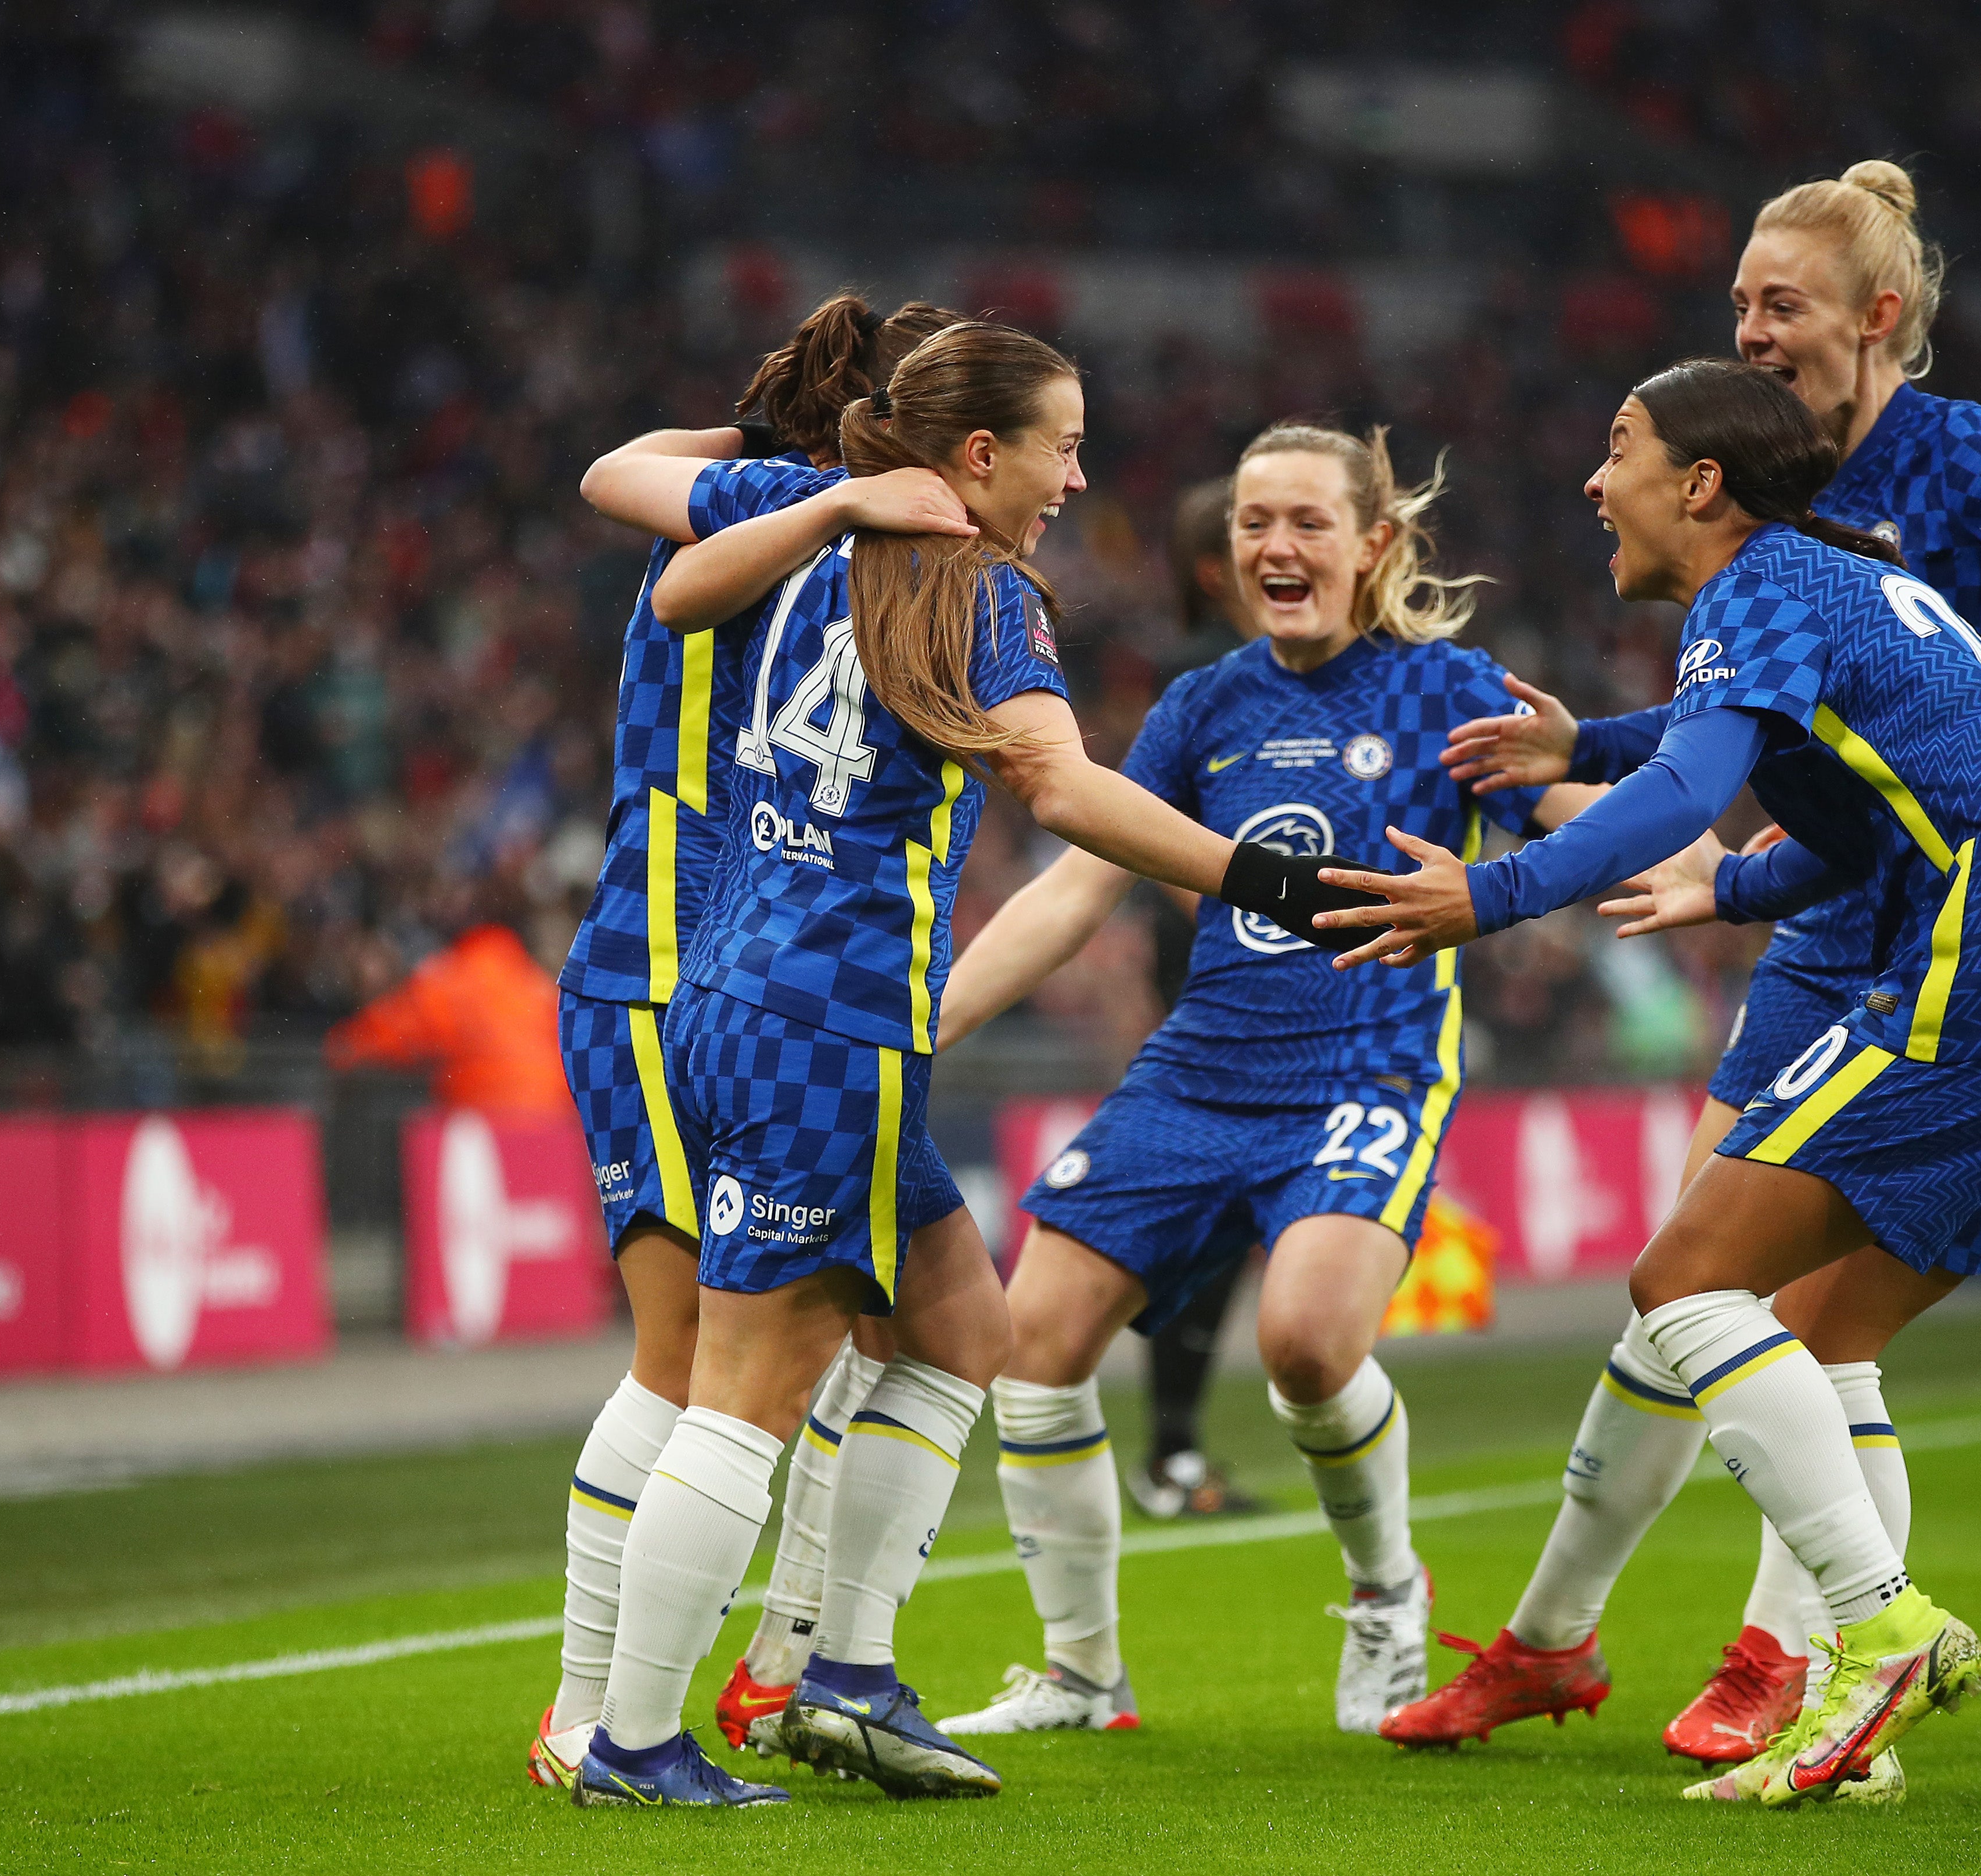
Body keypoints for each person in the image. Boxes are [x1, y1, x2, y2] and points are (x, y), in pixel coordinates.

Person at [1407, 159, 1981, 1785]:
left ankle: (1868, 1624)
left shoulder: (1815, 552)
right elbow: (1780, 766)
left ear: (1705, 484)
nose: (1587, 483)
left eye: (1615, 453)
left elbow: (1694, 790)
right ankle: (1831, 1687)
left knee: (1682, 1284)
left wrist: (1487, 901)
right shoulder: (1843, 572)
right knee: (1820, 1342)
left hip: (1964, 975)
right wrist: (1590, 743)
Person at [559, 324, 1380, 1807]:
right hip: (835, 1008)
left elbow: (670, 580)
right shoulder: (981, 584)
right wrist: (1267, 882)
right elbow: (1061, 786)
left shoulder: (802, 525)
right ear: (981, 452)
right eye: (1062, 444)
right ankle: (632, 1738)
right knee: (738, 1388)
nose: (1079, 475)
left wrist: (822, 502)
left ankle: (851, 1671)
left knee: (958, 1321)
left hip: (733, 982)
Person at [874, 422, 1597, 1741]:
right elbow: (1076, 889)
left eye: (1308, 520)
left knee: (1310, 1349)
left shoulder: (1449, 692)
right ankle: (1084, 1673)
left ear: (1372, 544)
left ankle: (1388, 1591)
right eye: (1254, 520)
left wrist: (1716, 859)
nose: (1274, 543)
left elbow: (1587, 826)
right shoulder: (1202, 706)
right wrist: (919, 1029)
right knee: (1030, 1349)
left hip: (1366, 1063)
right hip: (1200, 1069)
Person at [525, 291, 961, 1794]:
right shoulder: (814, 515)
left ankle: (806, 1665)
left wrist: (781, 424)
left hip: (728, 975)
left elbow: (611, 467)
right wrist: (822, 454)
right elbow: (621, 474)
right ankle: (596, 1715)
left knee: (909, 1327)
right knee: (693, 1365)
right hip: (679, 975)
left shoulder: (761, 509)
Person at [1130, 475, 1271, 1523]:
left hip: (1260, 979)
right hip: (1219, 989)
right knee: (1208, 1235)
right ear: (1210, 569)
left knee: (1229, 1239)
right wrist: (1261, 913)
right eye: (1253, 532)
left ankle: (1174, 1450)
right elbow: (1151, 842)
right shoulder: (1198, 685)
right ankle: (1169, 1453)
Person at [326, 912, 570, 1117]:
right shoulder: (533, 980)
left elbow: (396, 1030)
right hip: (554, 1120)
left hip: (488, 1119)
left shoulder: (452, 978)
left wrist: (349, 1043)